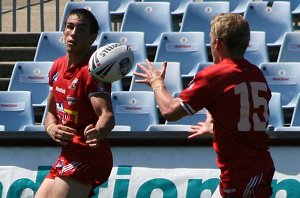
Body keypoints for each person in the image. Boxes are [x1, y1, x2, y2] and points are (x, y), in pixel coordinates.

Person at [134, 13, 275, 197]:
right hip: (251, 168)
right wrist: (215, 124)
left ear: (217, 44)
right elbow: (240, 110)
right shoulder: (256, 73)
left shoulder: (214, 75)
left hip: (242, 174)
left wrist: (156, 83)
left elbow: (169, 111)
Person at [35, 9, 114, 198]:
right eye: (70, 27)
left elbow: (107, 116)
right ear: (64, 32)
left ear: (92, 38)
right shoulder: (57, 66)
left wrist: (99, 132)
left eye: (81, 29)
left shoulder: (92, 72)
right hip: (68, 154)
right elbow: (51, 112)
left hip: (89, 155)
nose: (73, 33)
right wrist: (51, 127)